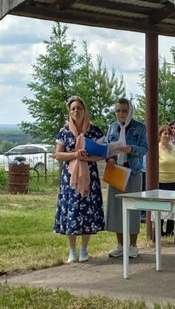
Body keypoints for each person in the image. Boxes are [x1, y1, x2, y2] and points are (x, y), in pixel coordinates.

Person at [53, 96, 106, 263]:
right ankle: (72, 250)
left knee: (87, 211)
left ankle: (84, 249)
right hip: (70, 178)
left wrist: (85, 158)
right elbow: (58, 154)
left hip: (89, 176)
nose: (76, 111)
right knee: (71, 211)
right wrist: (75, 155)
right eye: (73, 109)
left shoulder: (94, 131)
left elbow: (101, 154)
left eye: (79, 108)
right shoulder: (64, 131)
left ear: (85, 110)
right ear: (69, 112)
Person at [105, 98, 148, 259]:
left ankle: (132, 245)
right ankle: (121, 244)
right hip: (116, 170)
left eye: (124, 110)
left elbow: (145, 148)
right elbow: (108, 147)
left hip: (133, 171)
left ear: (130, 111)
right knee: (116, 208)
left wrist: (131, 148)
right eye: (118, 111)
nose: (121, 114)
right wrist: (109, 158)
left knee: (133, 208)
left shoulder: (139, 128)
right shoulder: (112, 128)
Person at [159, 124, 175, 236]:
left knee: (173, 207)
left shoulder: (174, 148)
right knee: (161, 208)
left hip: (174, 182)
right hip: (161, 182)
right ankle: (159, 231)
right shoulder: (156, 148)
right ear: (160, 135)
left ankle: (170, 230)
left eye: (169, 133)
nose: (167, 135)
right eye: (165, 133)